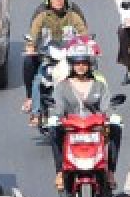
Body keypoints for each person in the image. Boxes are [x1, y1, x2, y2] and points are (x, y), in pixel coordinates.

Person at [50, 41, 120, 189]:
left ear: (90, 64)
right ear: (72, 65)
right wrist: (55, 117)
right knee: (53, 131)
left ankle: (110, 172)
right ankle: (60, 172)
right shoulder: (62, 87)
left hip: (95, 128)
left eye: (84, 63)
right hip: (71, 128)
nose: (81, 66)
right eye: (77, 63)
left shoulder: (99, 86)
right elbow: (59, 107)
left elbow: (106, 107)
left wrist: (112, 116)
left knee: (116, 128)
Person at [23, 0, 88, 125]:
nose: (58, 1)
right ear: (48, 0)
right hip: (48, 59)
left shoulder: (73, 16)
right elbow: (32, 36)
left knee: (89, 73)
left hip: (69, 58)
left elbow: (84, 34)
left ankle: (93, 106)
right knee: (40, 79)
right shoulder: (41, 18)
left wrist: (86, 43)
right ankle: (36, 112)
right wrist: (31, 47)